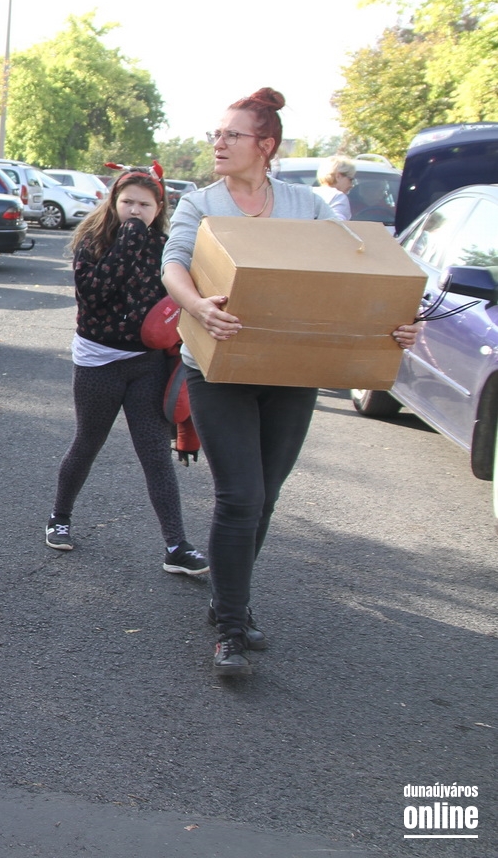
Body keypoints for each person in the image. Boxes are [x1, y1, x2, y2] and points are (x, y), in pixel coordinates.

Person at [160, 89, 419, 678]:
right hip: (218, 369)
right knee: (240, 496)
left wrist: (395, 322)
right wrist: (197, 306)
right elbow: (173, 264)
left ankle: (229, 597)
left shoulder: (308, 206)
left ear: (265, 145)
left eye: (232, 134)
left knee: (267, 495)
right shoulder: (200, 204)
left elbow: (354, 274)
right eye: (216, 134)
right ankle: (230, 627)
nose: (219, 143)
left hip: (291, 370)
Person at [45, 169, 209, 577]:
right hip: (98, 362)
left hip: (146, 364)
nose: (135, 211)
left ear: (159, 208)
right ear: (113, 202)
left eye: (144, 205)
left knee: (154, 454)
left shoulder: (164, 249)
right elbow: (94, 293)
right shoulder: (93, 242)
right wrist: (129, 240)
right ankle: (59, 517)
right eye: (128, 202)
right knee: (88, 443)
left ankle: (176, 545)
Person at [313, 155, 356, 220]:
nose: (351, 185)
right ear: (338, 176)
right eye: (350, 179)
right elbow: (337, 223)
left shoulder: (309, 194)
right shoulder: (337, 197)